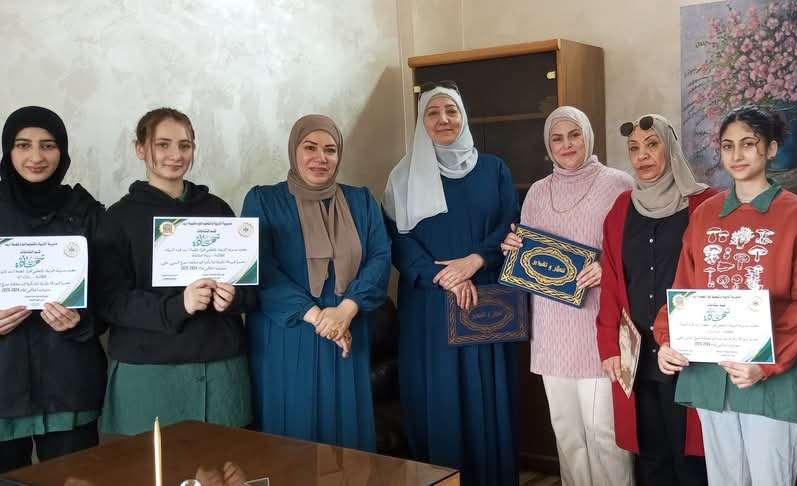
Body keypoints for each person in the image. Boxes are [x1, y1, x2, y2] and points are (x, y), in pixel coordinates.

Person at [653, 106, 797, 486]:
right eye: (728, 146)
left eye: (748, 144)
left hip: (770, 377)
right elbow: (685, 287)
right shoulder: (705, 213)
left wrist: (766, 364)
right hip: (710, 373)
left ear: (771, 148)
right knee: (724, 479)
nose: (737, 155)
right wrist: (667, 339)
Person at [385, 83, 520, 485]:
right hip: (429, 304)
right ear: (421, 122)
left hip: (486, 297)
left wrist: (475, 260)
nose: (443, 119)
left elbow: (511, 224)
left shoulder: (494, 169)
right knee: (438, 397)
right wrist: (443, 277)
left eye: (451, 111)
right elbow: (396, 240)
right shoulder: (402, 177)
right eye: (433, 112)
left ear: (464, 117)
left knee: (488, 398)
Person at [97, 108, 255, 435]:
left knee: (223, 460)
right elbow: (111, 302)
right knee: (149, 463)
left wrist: (234, 298)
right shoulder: (118, 218)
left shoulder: (217, 209)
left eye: (185, 145)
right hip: (148, 370)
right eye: (163, 144)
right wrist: (178, 305)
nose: (176, 155)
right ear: (140, 149)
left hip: (220, 367)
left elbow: (251, 289)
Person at [498, 106, 634, 486]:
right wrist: (512, 248)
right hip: (551, 328)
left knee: (604, 433)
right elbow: (529, 256)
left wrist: (607, 267)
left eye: (574, 135)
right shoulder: (537, 192)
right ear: (548, 146)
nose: (567, 144)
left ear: (587, 136)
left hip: (598, 326)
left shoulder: (619, 184)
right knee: (567, 434)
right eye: (557, 138)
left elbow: (638, 246)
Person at [242, 114, 390, 450]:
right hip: (288, 333)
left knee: (349, 438)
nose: (320, 157)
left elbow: (380, 259)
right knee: (294, 435)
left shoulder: (362, 201)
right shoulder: (263, 200)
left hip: (349, 328)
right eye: (310, 147)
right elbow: (260, 269)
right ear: (294, 150)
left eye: (330, 149)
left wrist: (345, 311)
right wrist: (319, 317)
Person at [595, 113, 713, 486]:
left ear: (671, 147)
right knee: (651, 459)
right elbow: (612, 281)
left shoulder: (706, 204)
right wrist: (608, 347)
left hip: (687, 354)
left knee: (691, 460)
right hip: (638, 354)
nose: (642, 155)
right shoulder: (620, 209)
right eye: (634, 148)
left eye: (652, 144)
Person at [0, 106, 107, 472]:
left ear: (62, 151)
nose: (36, 156)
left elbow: (112, 295)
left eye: (48, 145)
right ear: (8, 150)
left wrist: (81, 321)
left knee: (73, 478)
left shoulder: (86, 210)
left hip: (69, 385)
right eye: (23, 145)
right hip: (4, 384)